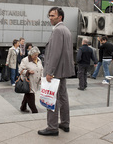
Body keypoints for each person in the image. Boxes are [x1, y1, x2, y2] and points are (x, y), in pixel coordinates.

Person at [38, 7, 75, 136]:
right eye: (49, 15)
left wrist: (50, 71)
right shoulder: (66, 30)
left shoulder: (58, 30)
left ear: (60, 17)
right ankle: (65, 123)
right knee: (63, 97)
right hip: (63, 70)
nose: (50, 18)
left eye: (53, 16)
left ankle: (52, 127)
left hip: (56, 71)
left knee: (51, 97)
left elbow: (55, 53)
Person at [19, 46, 43, 113]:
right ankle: (34, 111)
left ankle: (23, 107)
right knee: (31, 95)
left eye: (37, 55)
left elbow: (41, 69)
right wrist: (28, 71)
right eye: (35, 55)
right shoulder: (25, 60)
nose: (36, 56)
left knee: (28, 94)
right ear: (31, 54)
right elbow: (20, 70)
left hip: (36, 81)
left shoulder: (39, 60)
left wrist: (42, 77)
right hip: (28, 81)